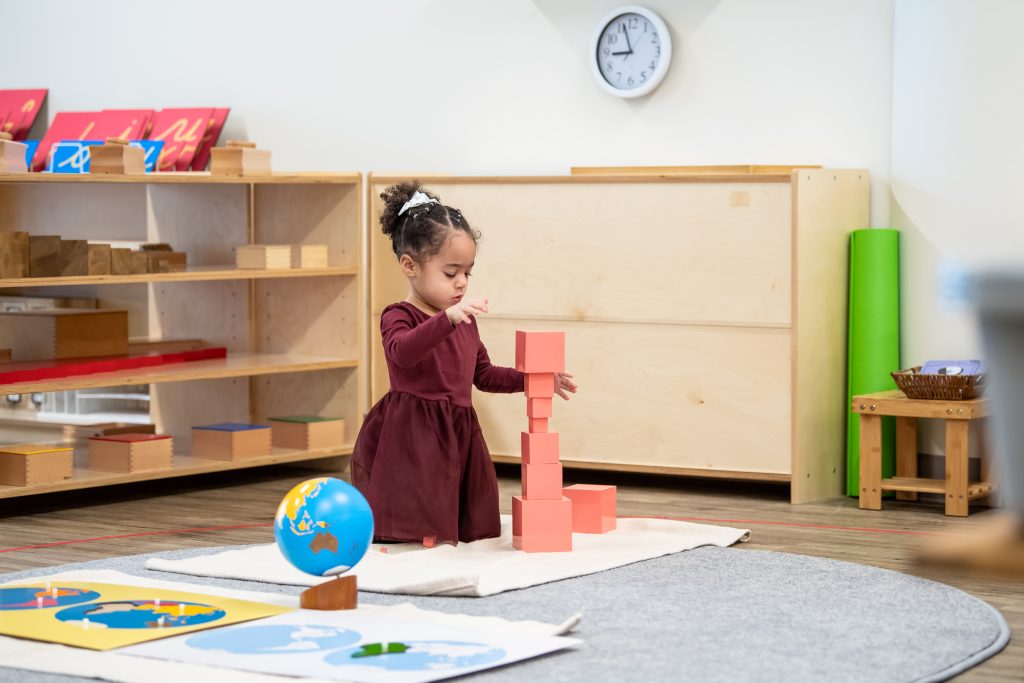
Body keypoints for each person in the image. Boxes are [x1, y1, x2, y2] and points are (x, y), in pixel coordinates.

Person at [352, 183, 577, 545]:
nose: (461, 284)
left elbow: (483, 375)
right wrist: (447, 319)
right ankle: (419, 536)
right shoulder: (399, 315)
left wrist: (533, 380)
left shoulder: (464, 320)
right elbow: (402, 353)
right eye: (450, 272)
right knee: (420, 510)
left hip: (458, 428)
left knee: (468, 520)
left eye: (467, 273)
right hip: (415, 432)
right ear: (410, 266)